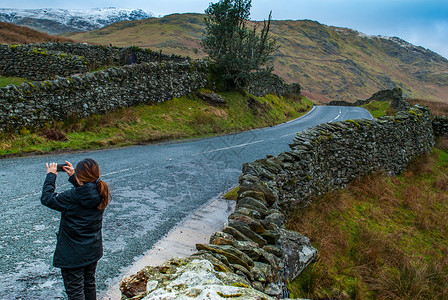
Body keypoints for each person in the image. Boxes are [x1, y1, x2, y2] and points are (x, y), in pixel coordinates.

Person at [41, 158, 111, 300]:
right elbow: (85, 192)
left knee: (75, 292)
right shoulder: (100, 191)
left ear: (80, 176)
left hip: (72, 255)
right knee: (89, 284)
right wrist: (74, 177)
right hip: (92, 250)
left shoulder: (71, 197)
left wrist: (51, 175)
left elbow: (47, 198)